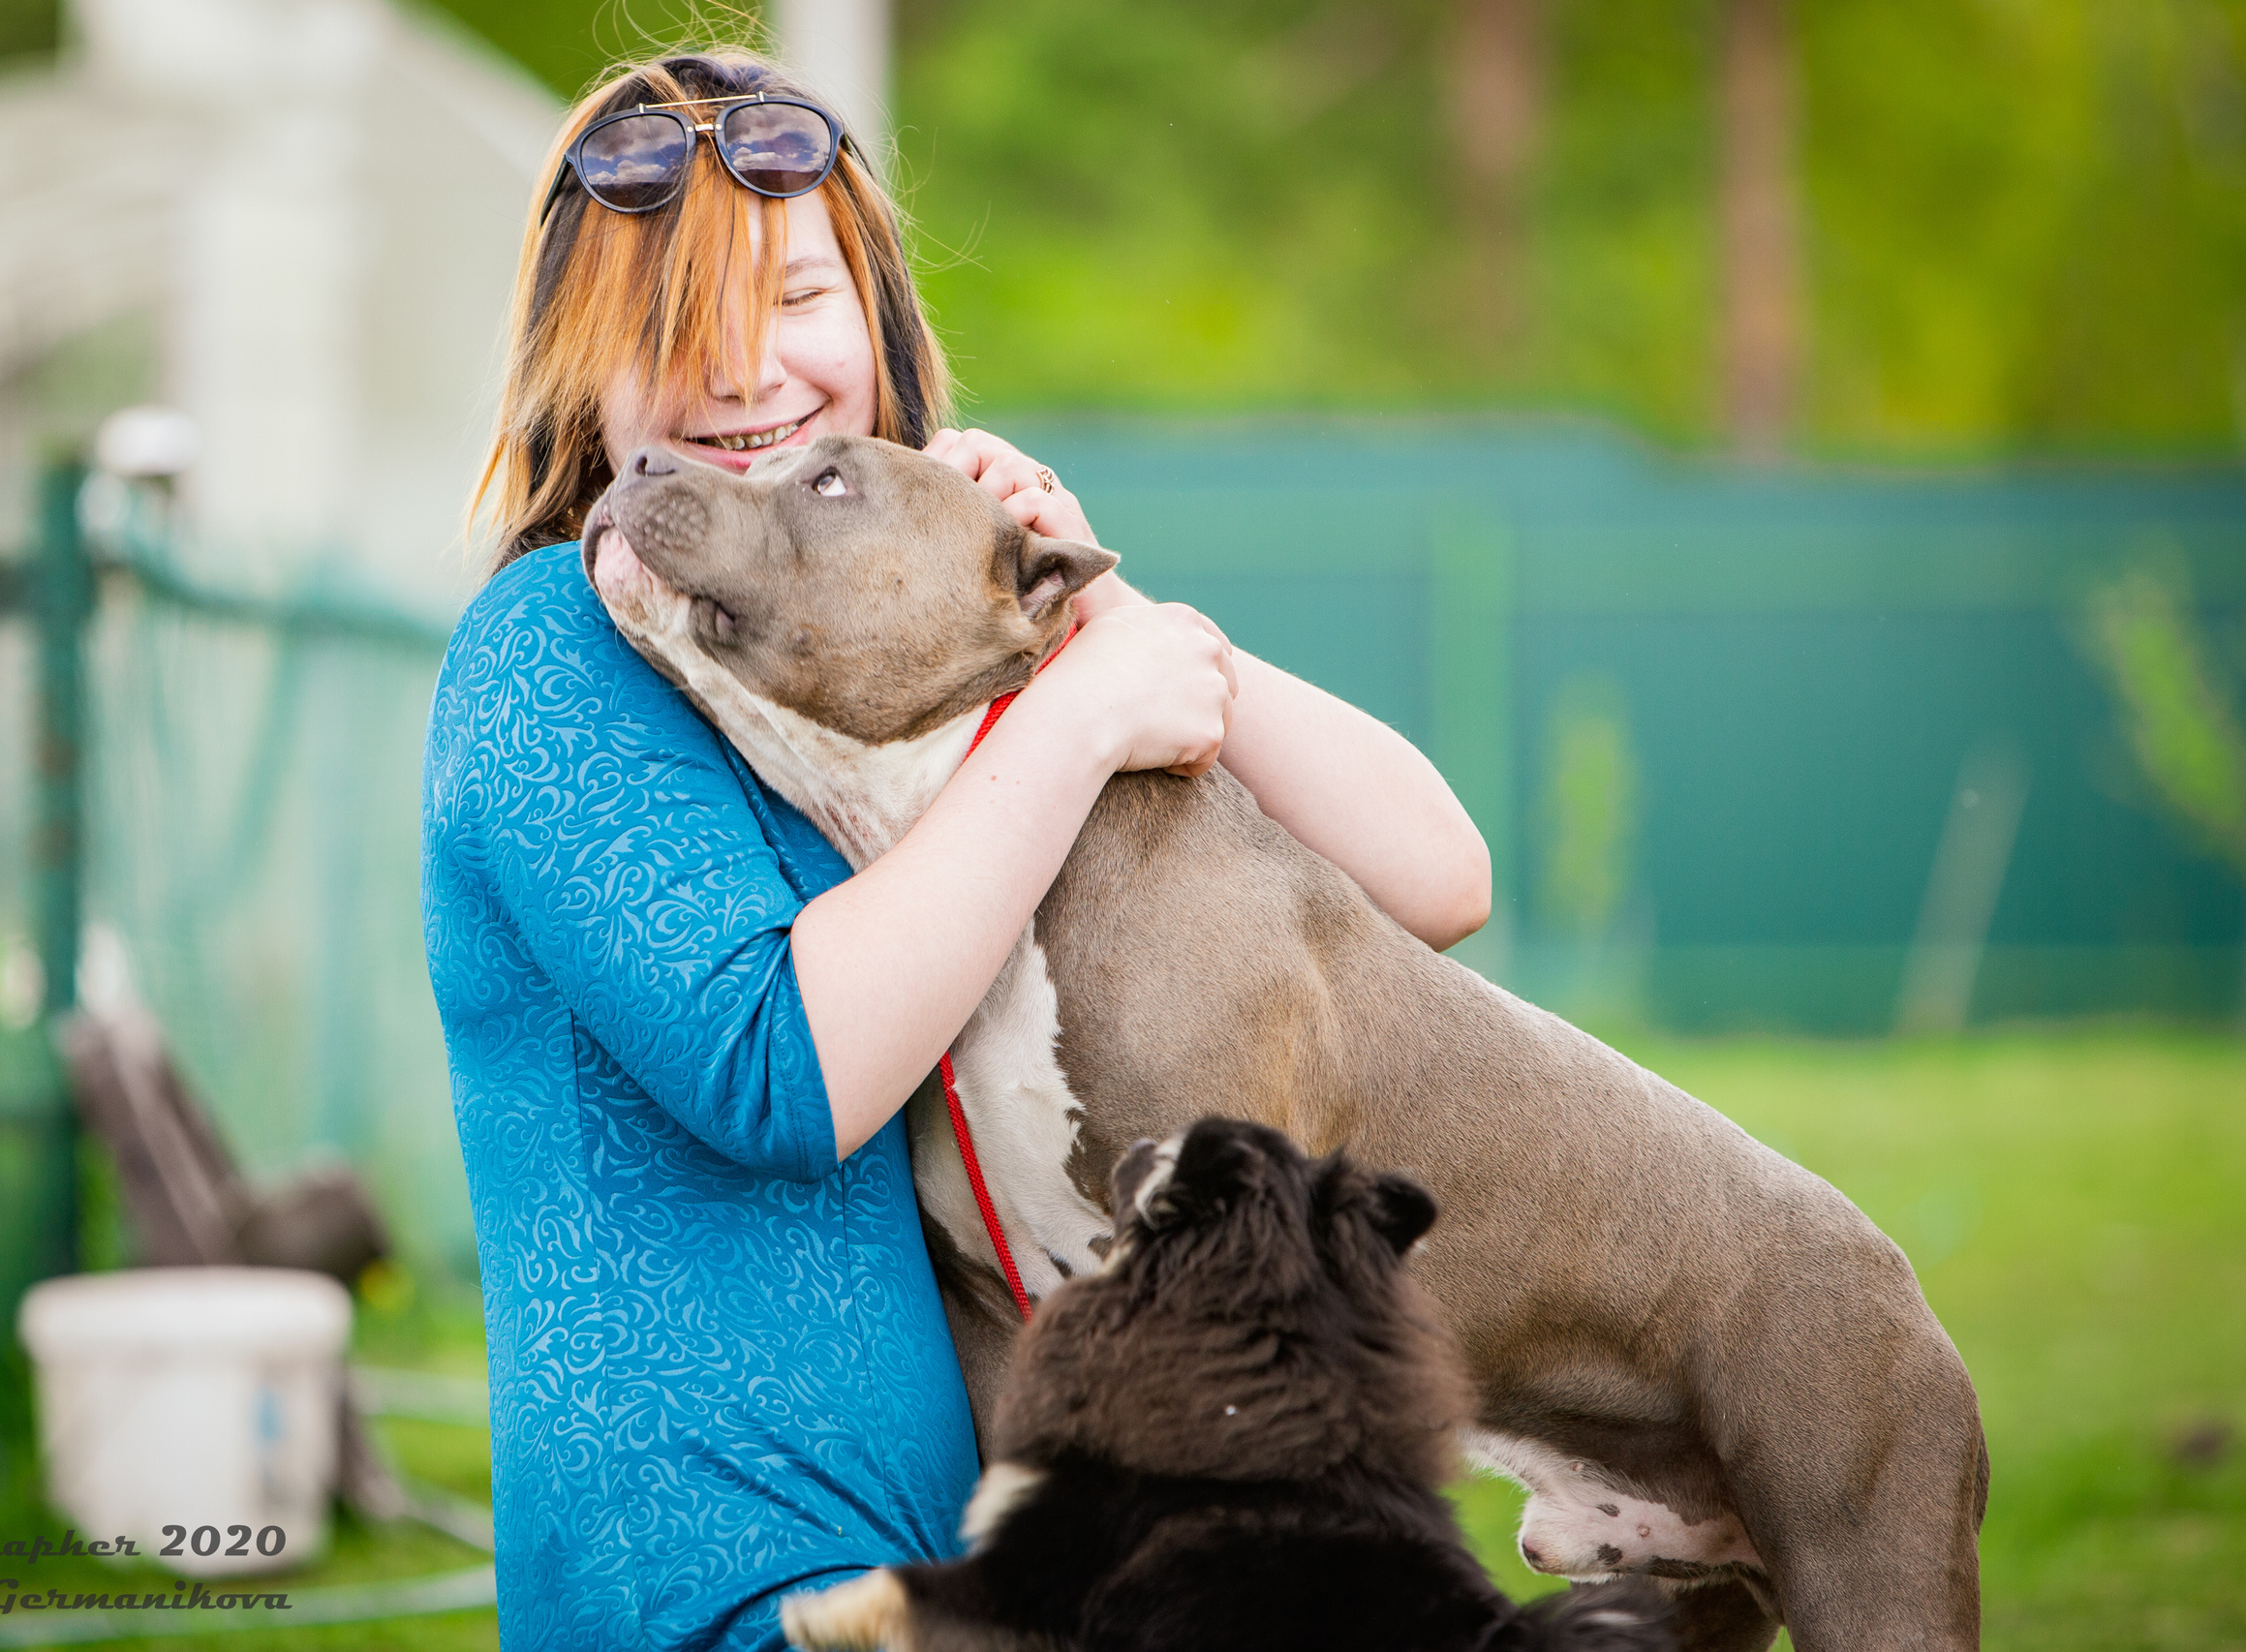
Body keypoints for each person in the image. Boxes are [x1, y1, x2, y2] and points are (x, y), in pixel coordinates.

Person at [421, 48, 1491, 1652]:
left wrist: (1082, 608)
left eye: (791, 297)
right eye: (669, 324)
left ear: (880, 314)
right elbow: (780, 1065)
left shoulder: (878, 696)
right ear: (582, 371)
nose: (741, 373)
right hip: (720, 1608)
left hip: (963, 1593)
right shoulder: (550, 651)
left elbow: (1434, 877)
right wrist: (1070, 727)